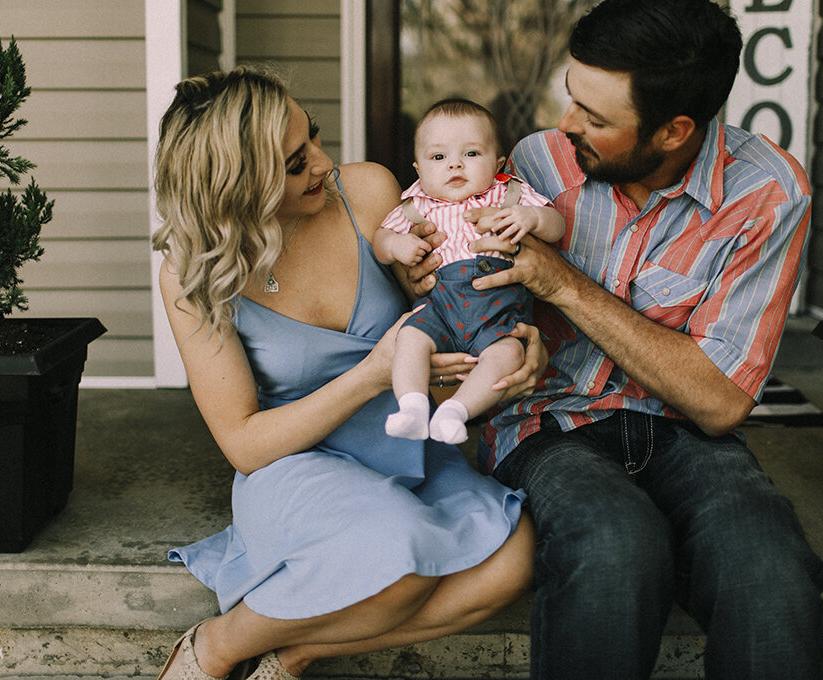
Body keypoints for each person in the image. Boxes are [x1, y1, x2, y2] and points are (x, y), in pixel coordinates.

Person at [430, 0, 823, 678]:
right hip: (546, 425)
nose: (565, 123)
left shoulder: (765, 194)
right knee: (617, 546)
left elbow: (719, 400)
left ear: (674, 130)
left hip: (686, 434)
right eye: (570, 95)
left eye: (593, 115)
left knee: (768, 567)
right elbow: (452, 279)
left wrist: (561, 283)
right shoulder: (535, 163)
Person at [151, 66, 538, 680]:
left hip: (407, 438)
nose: (325, 164)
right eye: (295, 163)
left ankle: (294, 652)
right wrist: (371, 374)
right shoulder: (193, 273)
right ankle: (218, 645)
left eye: (314, 139)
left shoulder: (370, 193)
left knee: (512, 563)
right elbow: (245, 443)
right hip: (295, 461)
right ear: (236, 186)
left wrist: (508, 347)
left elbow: (447, 318)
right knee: (400, 562)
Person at [374, 99, 564, 445]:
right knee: (409, 338)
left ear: (498, 163)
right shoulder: (417, 207)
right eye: (438, 158)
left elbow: (556, 227)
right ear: (418, 169)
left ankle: (455, 412)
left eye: (472, 154)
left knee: (509, 354)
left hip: (498, 312)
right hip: (441, 309)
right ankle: (413, 407)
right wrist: (396, 246)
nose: (455, 165)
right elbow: (380, 240)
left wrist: (533, 218)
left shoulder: (508, 195)